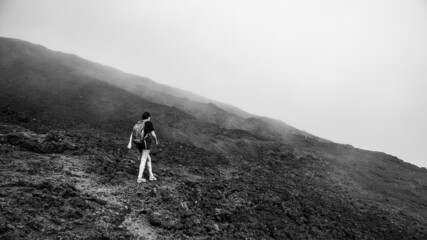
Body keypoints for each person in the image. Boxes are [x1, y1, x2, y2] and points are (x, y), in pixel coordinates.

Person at [127, 112, 159, 183]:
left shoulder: (138, 123)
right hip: (145, 143)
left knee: (148, 158)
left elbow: (132, 133)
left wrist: (130, 142)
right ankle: (139, 178)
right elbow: (153, 135)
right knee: (144, 159)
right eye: (149, 118)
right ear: (148, 117)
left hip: (138, 143)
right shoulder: (148, 123)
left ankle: (151, 176)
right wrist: (156, 141)